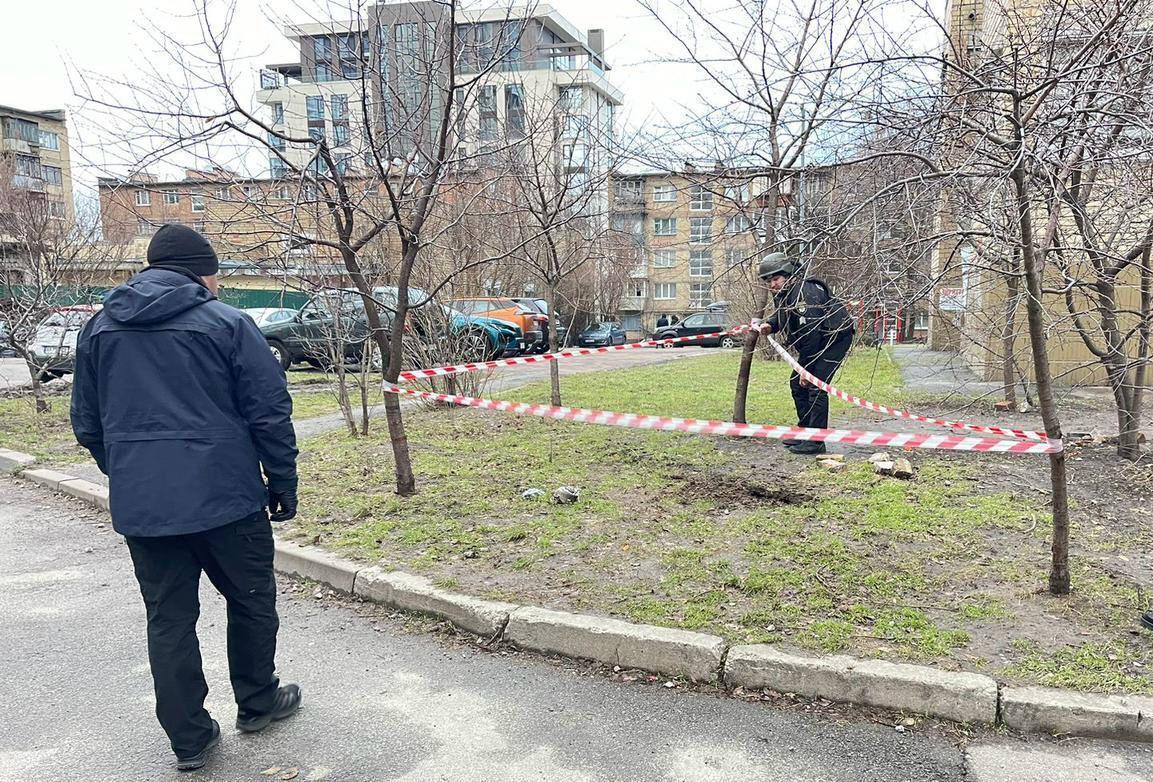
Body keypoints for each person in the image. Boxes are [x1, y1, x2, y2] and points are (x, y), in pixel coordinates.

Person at [70, 223, 302, 772]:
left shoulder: (99, 328)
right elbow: (269, 412)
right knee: (250, 599)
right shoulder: (228, 324)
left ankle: (190, 739)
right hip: (229, 498)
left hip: (146, 507)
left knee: (168, 619)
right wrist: (282, 484)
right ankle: (258, 701)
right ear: (203, 271)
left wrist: (131, 470)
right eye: (216, 272)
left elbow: (87, 423)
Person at [753, 252, 855, 456]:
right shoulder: (786, 293)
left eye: (776, 279)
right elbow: (784, 315)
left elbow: (811, 335)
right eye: (769, 281)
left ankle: (816, 441)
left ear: (788, 275)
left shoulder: (805, 292)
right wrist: (769, 326)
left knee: (815, 386)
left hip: (833, 340)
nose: (772, 284)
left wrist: (806, 371)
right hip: (816, 343)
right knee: (796, 383)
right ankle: (805, 432)